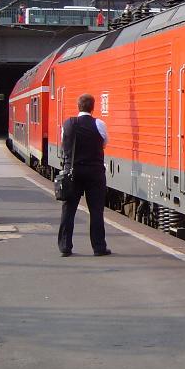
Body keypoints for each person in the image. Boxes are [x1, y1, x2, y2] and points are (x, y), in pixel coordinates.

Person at [58, 93, 111, 257]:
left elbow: (64, 144)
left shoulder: (68, 124)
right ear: (93, 107)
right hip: (95, 173)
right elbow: (104, 143)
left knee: (69, 210)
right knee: (96, 211)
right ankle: (99, 247)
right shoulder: (99, 124)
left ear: (78, 106)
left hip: (73, 173)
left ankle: (65, 246)